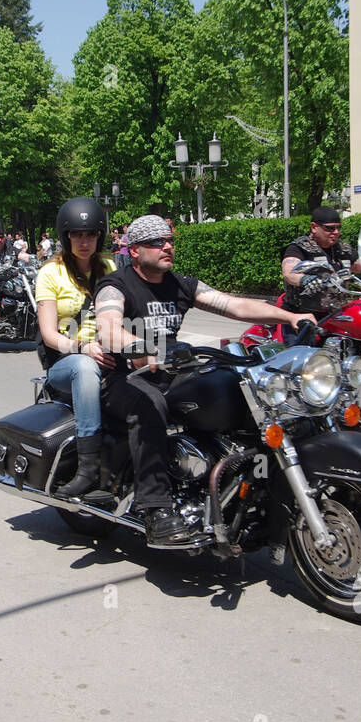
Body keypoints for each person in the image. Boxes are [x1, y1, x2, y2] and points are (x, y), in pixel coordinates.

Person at [95, 215, 316, 546]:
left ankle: (242, 488)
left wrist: (290, 316)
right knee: (149, 405)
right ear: (136, 250)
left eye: (169, 239)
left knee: (236, 389)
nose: (167, 246)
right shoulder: (116, 285)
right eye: (157, 242)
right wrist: (140, 348)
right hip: (127, 376)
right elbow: (108, 327)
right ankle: (155, 508)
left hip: (172, 370)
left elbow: (233, 304)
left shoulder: (180, 283)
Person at [36, 198, 117, 497]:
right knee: (84, 368)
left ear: (100, 236)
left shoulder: (109, 266)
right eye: (77, 235)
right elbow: (48, 335)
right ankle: (87, 468)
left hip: (107, 353)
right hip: (66, 361)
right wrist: (82, 348)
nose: (84, 241)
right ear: (65, 236)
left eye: (91, 234)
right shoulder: (50, 273)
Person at [279, 206, 361, 314]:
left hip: (335, 314)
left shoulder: (344, 249)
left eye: (339, 228)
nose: (336, 232)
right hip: (301, 314)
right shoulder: (299, 247)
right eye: (330, 228)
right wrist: (305, 280)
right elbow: (289, 272)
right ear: (314, 227)